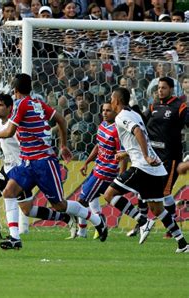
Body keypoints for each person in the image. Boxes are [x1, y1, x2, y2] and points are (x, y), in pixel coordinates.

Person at [0, 73, 107, 250]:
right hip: (27, 162)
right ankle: (15, 239)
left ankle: (97, 220)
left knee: (59, 205)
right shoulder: (38, 103)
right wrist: (63, 145)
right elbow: (61, 120)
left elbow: (9, 132)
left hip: (43, 162)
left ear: (15, 90)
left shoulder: (21, 105)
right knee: (9, 192)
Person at [103, 87, 188, 253]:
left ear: (117, 101)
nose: (110, 102)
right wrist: (126, 152)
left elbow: (138, 132)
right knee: (157, 209)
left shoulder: (122, 116)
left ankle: (142, 221)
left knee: (109, 195)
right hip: (154, 168)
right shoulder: (134, 114)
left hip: (142, 166)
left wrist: (145, 156)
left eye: (112, 99)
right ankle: (183, 244)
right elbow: (142, 137)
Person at [0, 94, 73, 240]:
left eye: (1, 105)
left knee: (27, 210)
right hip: (7, 167)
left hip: (21, 169)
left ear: (10, 108)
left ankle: (64, 217)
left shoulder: (16, 126)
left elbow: (25, 143)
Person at [127, 77, 188, 239]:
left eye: (164, 88)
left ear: (171, 89)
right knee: (144, 191)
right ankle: (142, 224)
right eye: (158, 88)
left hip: (170, 157)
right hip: (153, 157)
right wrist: (133, 106)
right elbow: (141, 121)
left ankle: (172, 226)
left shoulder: (179, 107)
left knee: (165, 192)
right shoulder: (154, 106)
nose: (160, 90)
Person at [69, 102, 123, 239]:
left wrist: (121, 173)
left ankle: (98, 222)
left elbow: (122, 154)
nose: (105, 113)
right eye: (103, 110)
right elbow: (98, 146)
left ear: (115, 112)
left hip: (106, 172)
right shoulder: (102, 126)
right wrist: (87, 162)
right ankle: (85, 230)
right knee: (86, 197)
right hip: (98, 168)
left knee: (81, 201)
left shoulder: (117, 130)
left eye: (108, 110)